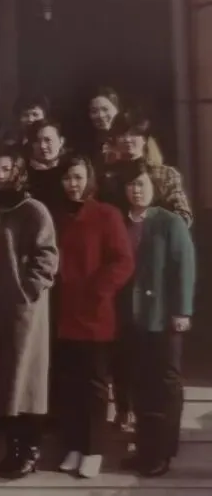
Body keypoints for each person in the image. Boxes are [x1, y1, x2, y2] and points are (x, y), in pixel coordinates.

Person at [0, 143, 58, 479]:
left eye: (6, 169)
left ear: (18, 172)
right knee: (5, 381)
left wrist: (27, 290)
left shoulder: (33, 210)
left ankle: (30, 451)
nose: (0, 176)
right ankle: (12, 449)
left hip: (26, 310)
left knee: (27, 381)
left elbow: (46, 256)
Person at [54, 154, 134, 479]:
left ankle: (94, 449)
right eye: (67, 178)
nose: (72, 184)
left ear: (89, 179)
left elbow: (123, 261)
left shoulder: (106, 214)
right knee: (69, 385)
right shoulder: (59, 216)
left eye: (78, 177)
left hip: (94, 314)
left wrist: (98, 289)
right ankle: (74, 446)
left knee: (94, 387)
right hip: (64, 314)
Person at [117, 160, 195, 477]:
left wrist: (182, 310)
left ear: (155, 188)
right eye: (131, 185)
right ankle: (145, 448)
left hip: (163, 316)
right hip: (132, 317)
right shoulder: (121, 221)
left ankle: (163, 452)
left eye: (142, 184)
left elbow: (184, 268)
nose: (136, 191)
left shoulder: (169, 222)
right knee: (140, 384)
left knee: (165, 385)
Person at [25, 119, 68, 217]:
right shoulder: (23, 172)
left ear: (61, 141)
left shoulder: (71, 168)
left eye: (48, 140)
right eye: (37, 141)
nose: (42, 146)